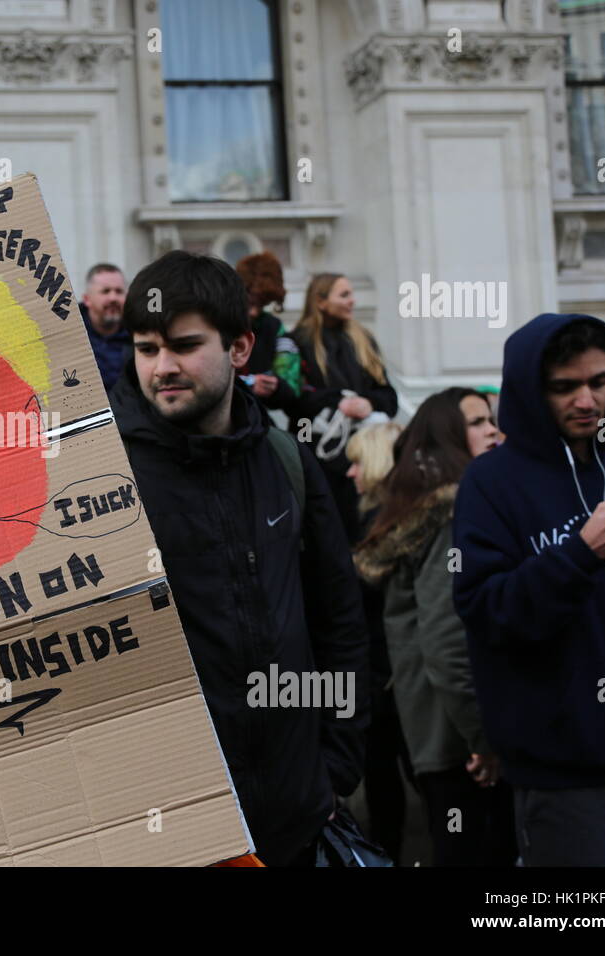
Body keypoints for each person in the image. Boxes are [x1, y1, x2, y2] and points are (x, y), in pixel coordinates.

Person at [110, 250, 371, 866]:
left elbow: (340, 620)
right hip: (165, 830)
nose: (162, 367)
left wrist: (333, 769)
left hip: (294, 819)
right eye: (146, 349)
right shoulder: (100, 478)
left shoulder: (287, 462)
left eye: (183, 345)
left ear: (240, 348)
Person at [453, 313, 605, 866]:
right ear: (530, 391)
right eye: (565, 387)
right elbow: (485, 610)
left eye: (600, 381)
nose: (587, 400)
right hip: (562, 772)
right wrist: (581, 554)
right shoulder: (490, 483)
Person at [356, 389, 515, 866]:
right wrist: (484, 740)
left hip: (448, 739)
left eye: (492, 419)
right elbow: (448, 644)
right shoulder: (452, 514)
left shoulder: (442, 508)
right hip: (461, 746)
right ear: (446, 438)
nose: (493, 430)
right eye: (477, 422)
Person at [345, 421, 410, 862]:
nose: (350, 474)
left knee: (386, 776)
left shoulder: (380, 527)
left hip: (386, 675)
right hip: (394, 673)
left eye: (355, 463)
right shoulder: (398, 518)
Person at [291, 273, 399, 540]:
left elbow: (388, 396)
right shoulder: (298, 343)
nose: (353, 301)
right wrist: (338, 400)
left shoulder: (364, 340)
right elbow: (293, 398)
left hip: (365, 456)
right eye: (344, 295)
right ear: (321, 301)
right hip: (319, 457)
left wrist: (368, 403)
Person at [235, 251, 301, 416]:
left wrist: (276, 386)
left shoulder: (273, 327)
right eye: (250, 302)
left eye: (262, 303)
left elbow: (292, 384)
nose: (255, 312)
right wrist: (249, 384)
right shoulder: (218, 323)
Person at [79, 263, 131, 393]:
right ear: (87, 299)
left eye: (119, 291)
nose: (113, 298)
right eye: (105, 291)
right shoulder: (70, 333)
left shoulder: (139, 334)